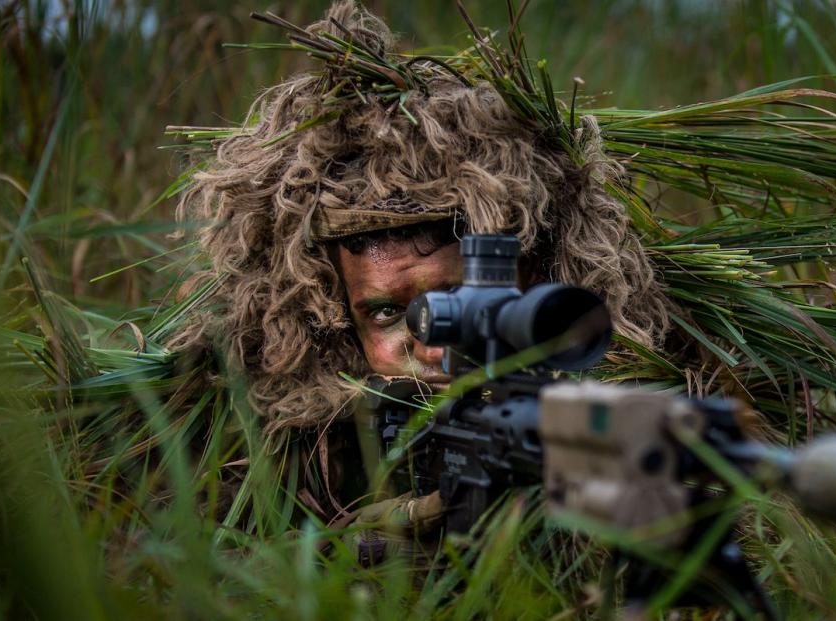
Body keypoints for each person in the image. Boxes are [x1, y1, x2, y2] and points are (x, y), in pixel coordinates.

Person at [168, 1, 670, 549]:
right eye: (388, 313)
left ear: (536, 284)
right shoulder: (277, 445)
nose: (437, 348)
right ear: (330, 324)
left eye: (463, 300)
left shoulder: (611, 421)